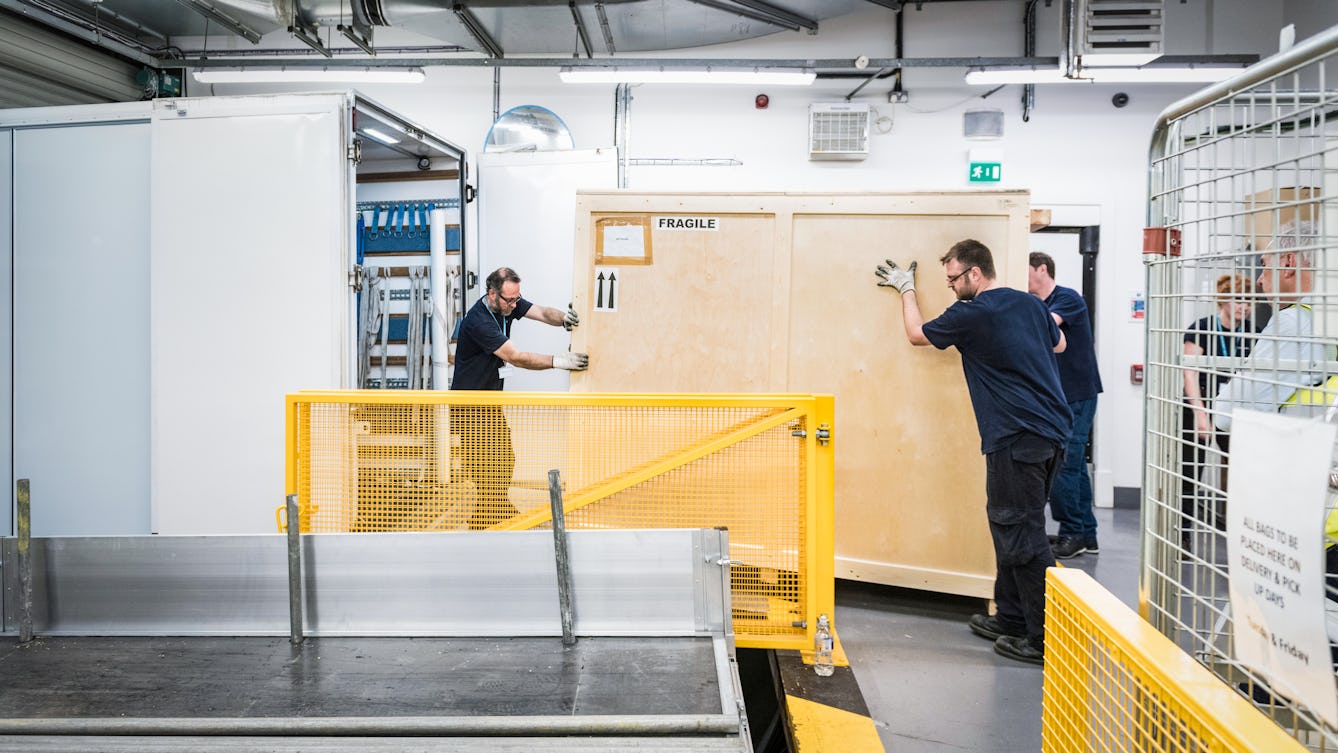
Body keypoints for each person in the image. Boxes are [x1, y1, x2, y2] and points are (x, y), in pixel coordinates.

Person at [875, 239, 1072, 666]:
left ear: (975, 274)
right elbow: (1059, 346)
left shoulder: (973, 313)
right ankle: (1013, 618)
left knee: (1023, 535)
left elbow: (916, 335)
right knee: (1012, 526)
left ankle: (1046, 640)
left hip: (1018, 435)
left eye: (952, 279)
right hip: (1051, 433)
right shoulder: (1031, 305)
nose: (949, 287)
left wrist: (906, 288)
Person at [451, 266, 589, 528]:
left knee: (504, 457)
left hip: (489, 403)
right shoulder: (479, 321)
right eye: (510, 300)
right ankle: (486, 519)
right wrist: (559, 361)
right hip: (469, 407)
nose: (515, 305)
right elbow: (516, 357)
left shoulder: (507, 305)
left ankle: (495, 510)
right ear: (492, 294)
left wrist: (564, 319)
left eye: (517, 298)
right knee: (484, 465)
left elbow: (542, 312)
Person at [1215, 223, 1329, 432]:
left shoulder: (1293, 322)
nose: (1259, 280)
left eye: (1265, 265)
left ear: (1288, 262)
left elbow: (1227, 414)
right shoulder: (1328, 317)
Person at [1027, 252, 1104, 559]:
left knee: (1064, 466)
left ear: (1042, 269)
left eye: (1025, 270)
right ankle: (1086, 533)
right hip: (1059, 397)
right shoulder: (1038, 304)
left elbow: (1047, 326)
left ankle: (1072, 531)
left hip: (1078, 395)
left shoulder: (1067, 298)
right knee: (1073, 468)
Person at [1180, 273, 1256, 545]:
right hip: (1200, 404)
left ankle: (1244, 538)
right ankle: (1183, 536)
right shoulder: (1200, 327)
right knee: (1190, 472)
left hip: (1236, 411)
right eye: (1238, 301)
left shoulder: (1253, 333)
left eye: (1249, 302)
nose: (1244, 307)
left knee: (1244, 473)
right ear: (1223, 300)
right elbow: (1189, 373)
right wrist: (1201, 414)